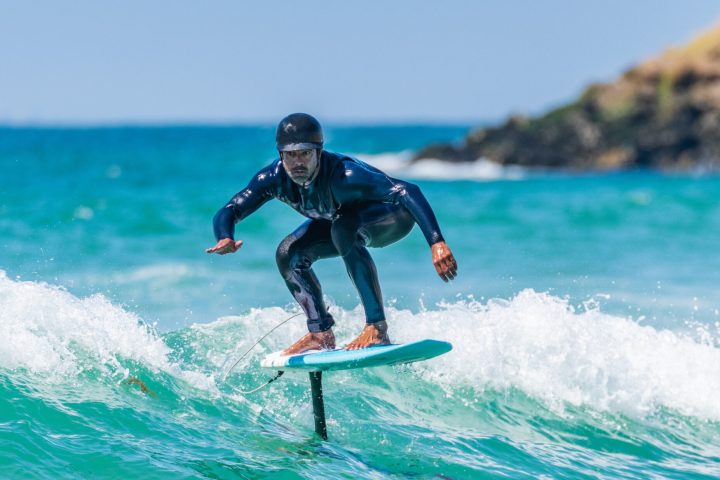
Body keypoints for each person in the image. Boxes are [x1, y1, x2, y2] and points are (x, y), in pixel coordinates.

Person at [206, 113, 458, 354]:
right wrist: (224, 235)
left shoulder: (345, 175)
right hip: (341, 221)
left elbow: (407, 191)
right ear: (280, 155)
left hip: (392, 218)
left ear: (318, 151)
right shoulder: (273, 178)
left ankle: (377, 328)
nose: (298, 162)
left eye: (305, 154)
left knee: (342, 225)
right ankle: (320, 333)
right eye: (290, 155)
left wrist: (436, 242)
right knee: (288, 254)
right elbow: (232, 208)